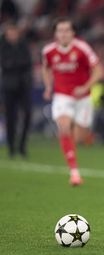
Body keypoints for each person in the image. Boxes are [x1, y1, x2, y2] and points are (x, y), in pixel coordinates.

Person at [42, 17, 103, 186]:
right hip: (62, 96)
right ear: (55, 33)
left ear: (73, 32)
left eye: (66, 30)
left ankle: (67, 141)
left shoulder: (82, 48)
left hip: (83, 98)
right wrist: (48, 87)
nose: (63, 34)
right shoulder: (48, 50)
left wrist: (84, 88)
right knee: (64, 127)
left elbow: (99, 72)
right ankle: (74, 173)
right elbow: (45, 68)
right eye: (60, 30)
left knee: (80, 138)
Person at [0, 22, 32, 158]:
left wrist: (11, 63)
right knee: (10, 117)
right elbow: (4, 64)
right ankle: (11, 148)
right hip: (9, 86)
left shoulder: (24, 45)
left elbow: (27, 62)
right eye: (9, 33)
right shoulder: (3, 47)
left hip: (24, 85)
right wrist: (16, 63)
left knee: (27, 115)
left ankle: (22, 146)